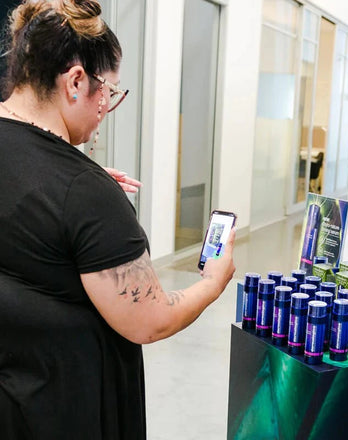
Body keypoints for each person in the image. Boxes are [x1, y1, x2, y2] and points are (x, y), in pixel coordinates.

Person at [0, 1, 235, 439]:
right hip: (62, 411)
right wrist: (213, 283)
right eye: (108, 89)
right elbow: (149, 320)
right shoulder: (83, 191)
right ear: (75, 81)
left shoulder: (66, 184)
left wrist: (58, 190)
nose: (108, 105)